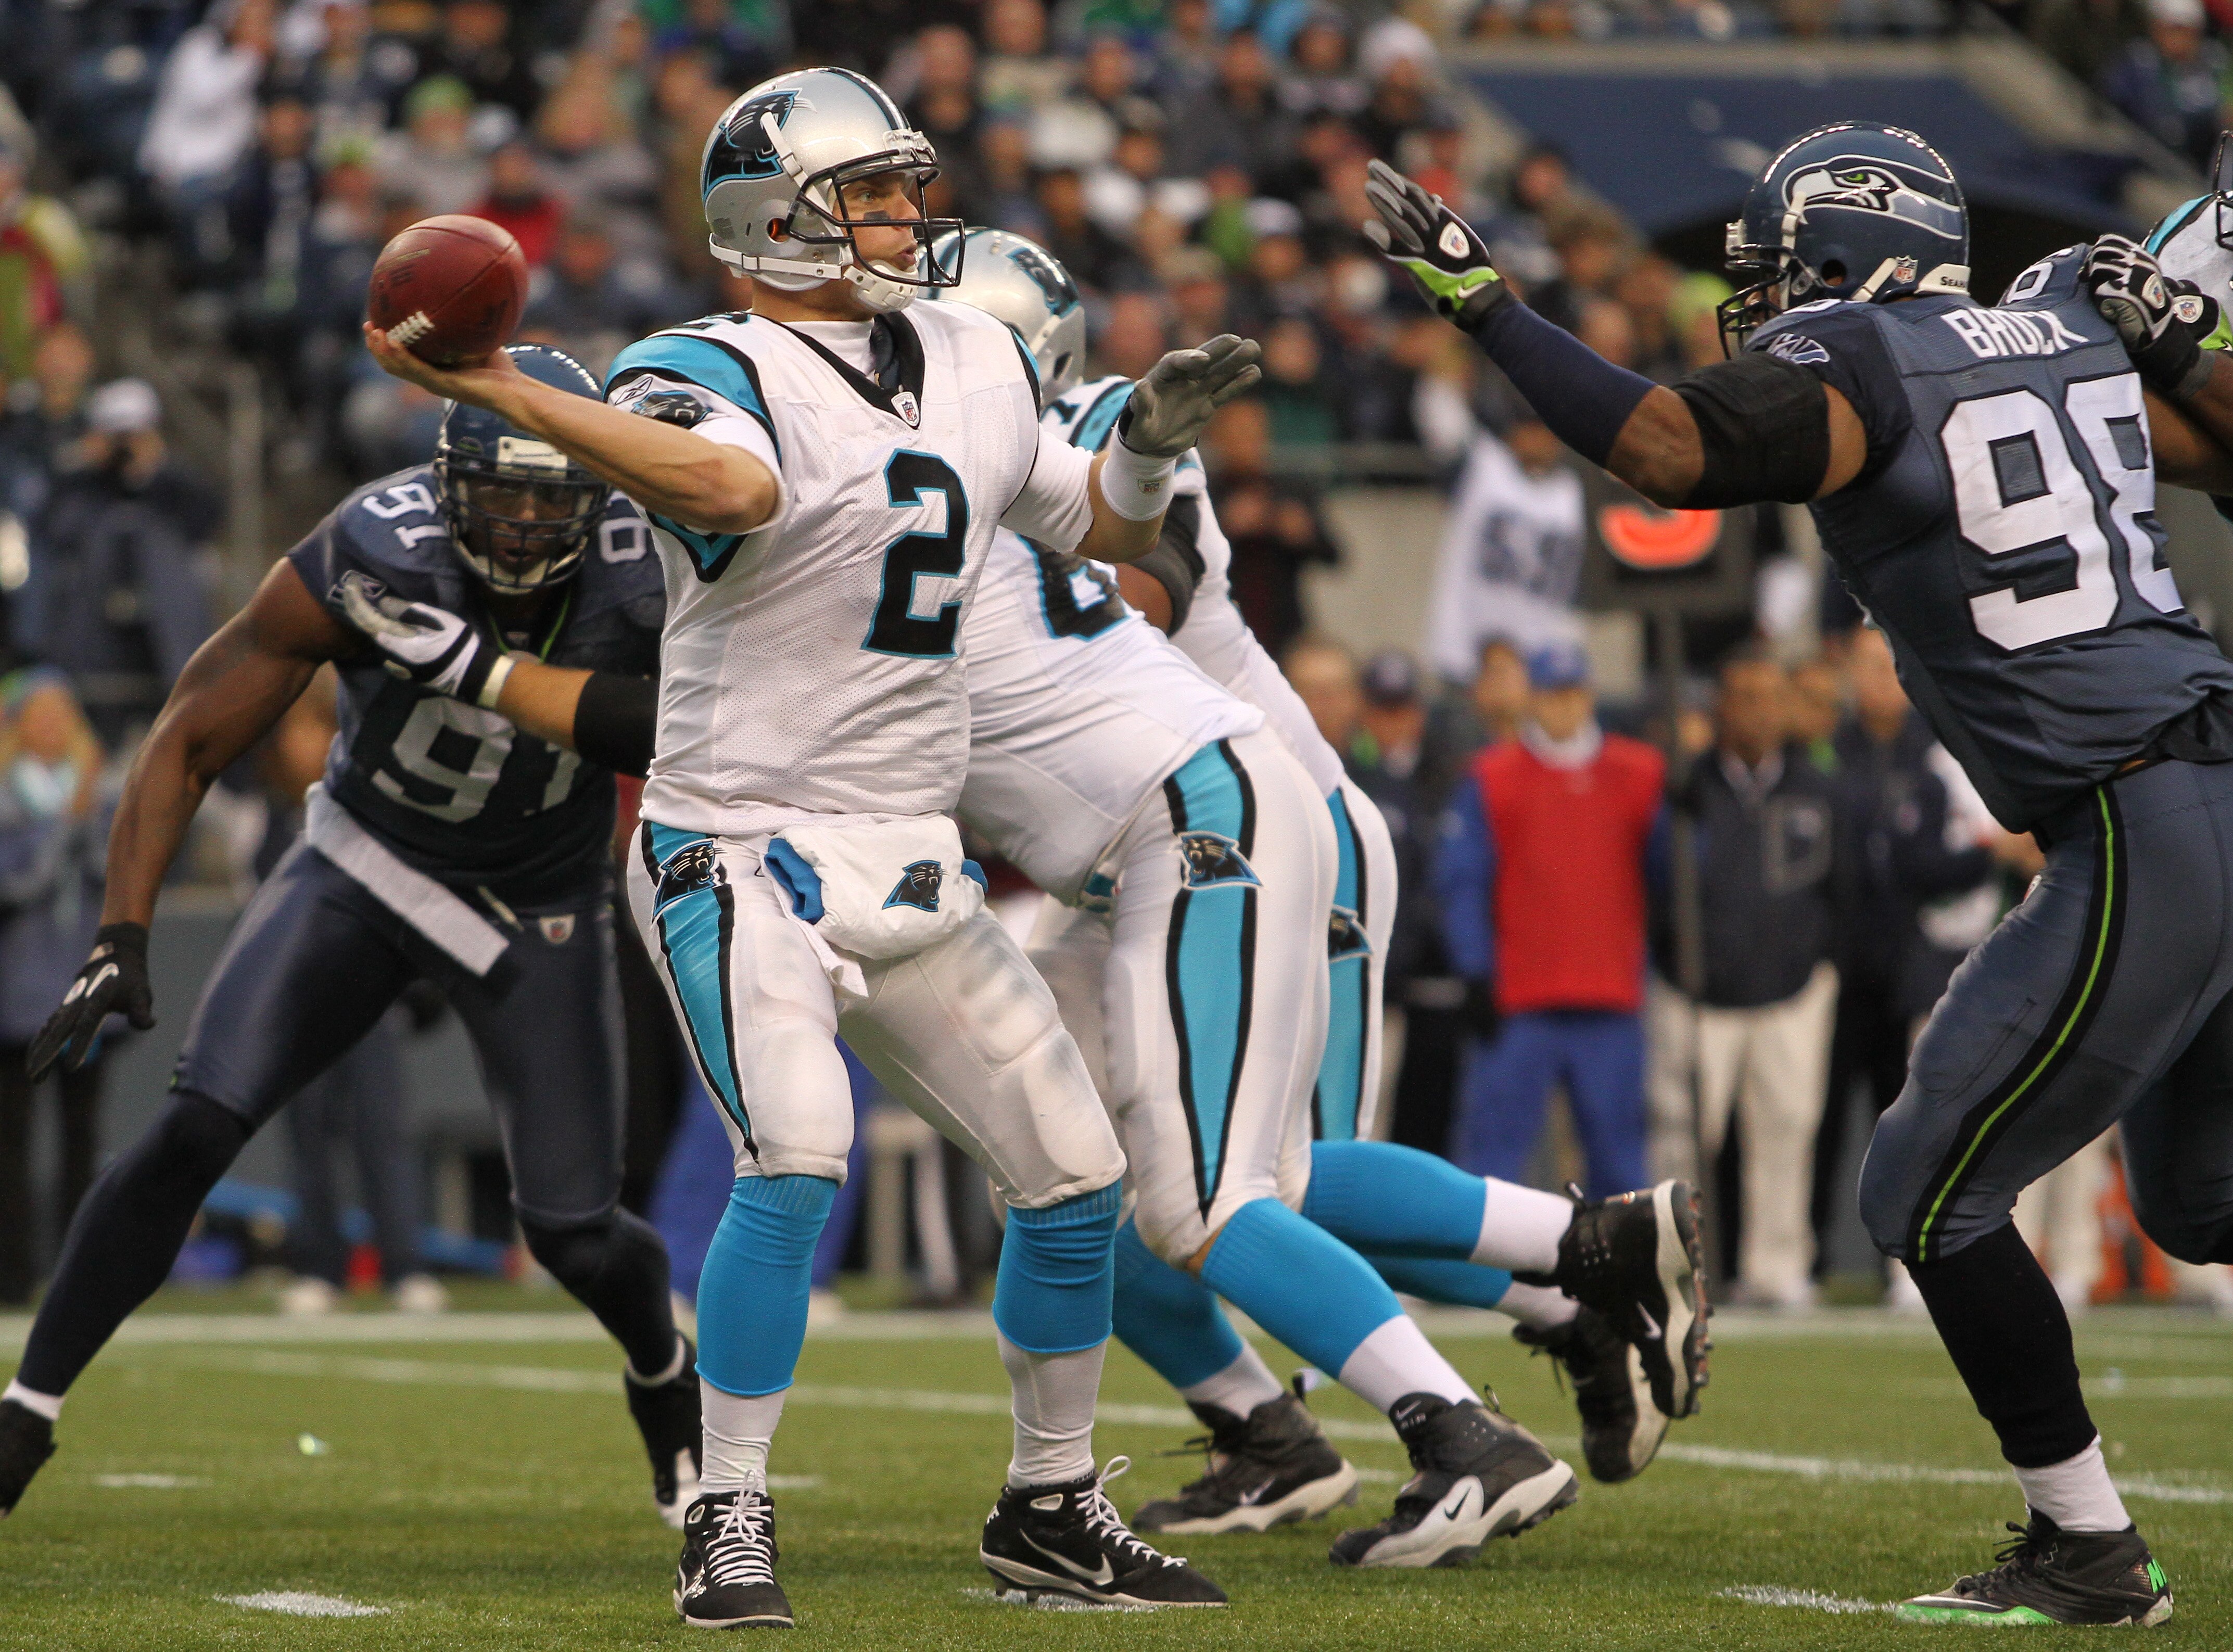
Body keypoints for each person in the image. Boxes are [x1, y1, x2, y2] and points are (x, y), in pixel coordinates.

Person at [347, 69, 1251, 1624]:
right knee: (795, 1155)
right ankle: (726, 1507)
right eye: (871, 191)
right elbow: (731, 486)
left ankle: (1049, 1503)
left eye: (904, 184)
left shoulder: (968, 352)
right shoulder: (696, 362)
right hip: (739, 841)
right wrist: (499, 387)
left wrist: (1151, 452)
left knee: (1074, 1173)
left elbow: (1090, 524)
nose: (907, 212)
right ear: (773, 218)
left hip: (907, 841)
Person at [1362, 118, 2233, 1623]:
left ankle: (2088, 1543)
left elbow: (1664, 450)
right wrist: (2189, 338)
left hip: (2141, 814)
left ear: (1847, 258)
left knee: (1921, 1187)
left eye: (1779, 270)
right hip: (2193, 786)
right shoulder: (2062, 327)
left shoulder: (1869, 350)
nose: (1761, 301)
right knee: (2205, 1200)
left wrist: (1484, 306)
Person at [0, 346, 702, 1540]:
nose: (529, 522)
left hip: (539, 897)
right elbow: (186, 730)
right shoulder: (376, 542)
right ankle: (22, 1415)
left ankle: (662, 1380)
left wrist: (478, 665)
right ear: (446, 479)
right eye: (504, 493)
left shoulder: (648, 566)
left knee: (576, 1232)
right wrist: (121, 929)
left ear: (597, 492)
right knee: (194, 1122)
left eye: (554, 496)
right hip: (366, 860)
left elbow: (689, 733)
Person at [1648, 649, 1841, 1307]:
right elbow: (1651, 884)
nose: (1760, 712)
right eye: (1746, 697)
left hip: (1791, 991)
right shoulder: (1684, 787)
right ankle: (1676, 1268)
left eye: (1771, 697)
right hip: (1697, 992)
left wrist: (1820, 961)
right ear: (1720, 709)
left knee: (1786, 1128)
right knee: (1681, 1135)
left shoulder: (1817, 789)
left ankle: (1777, 1267)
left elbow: (1843, 888)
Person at [1438, 643, 1661, 1201]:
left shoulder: (1638, 773)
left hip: (1609, 996)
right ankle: (1483, 1270)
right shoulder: (1493, 777)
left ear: (1587, 696)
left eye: (1572, 694)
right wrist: (1475, 970)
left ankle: (1618, 1272)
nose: (1562, 708)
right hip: (1521, 998)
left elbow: (1671, 874)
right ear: (1532, 701)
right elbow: (1462, 881)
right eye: (1550, 696)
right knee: (1494, 1148)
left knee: (1618, 1153)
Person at [0, 672, 105, 1305]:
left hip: (83, 990)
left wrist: (91, 822)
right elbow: (18, 888)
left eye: (59, 716)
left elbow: (116, 872)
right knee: (11, 1144)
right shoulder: (8, 801)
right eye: (37, 717)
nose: (49, 728)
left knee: (82, 1137)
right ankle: (13, 1274)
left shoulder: (102, 796)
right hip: (14, 998)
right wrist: (65, 829)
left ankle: (81, 1273)